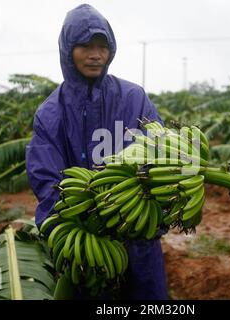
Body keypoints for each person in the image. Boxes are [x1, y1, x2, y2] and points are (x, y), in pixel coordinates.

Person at [25, 4, 168, 300]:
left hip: (138, 239)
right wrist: (81, 222)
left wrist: (143, 209)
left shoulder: (133, 99)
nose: (95, 54)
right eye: (85, 46)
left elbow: (160, 154)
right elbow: (45, 177)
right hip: (85, 244)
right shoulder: (51, 113)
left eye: (102, 46)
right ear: (68, 50)